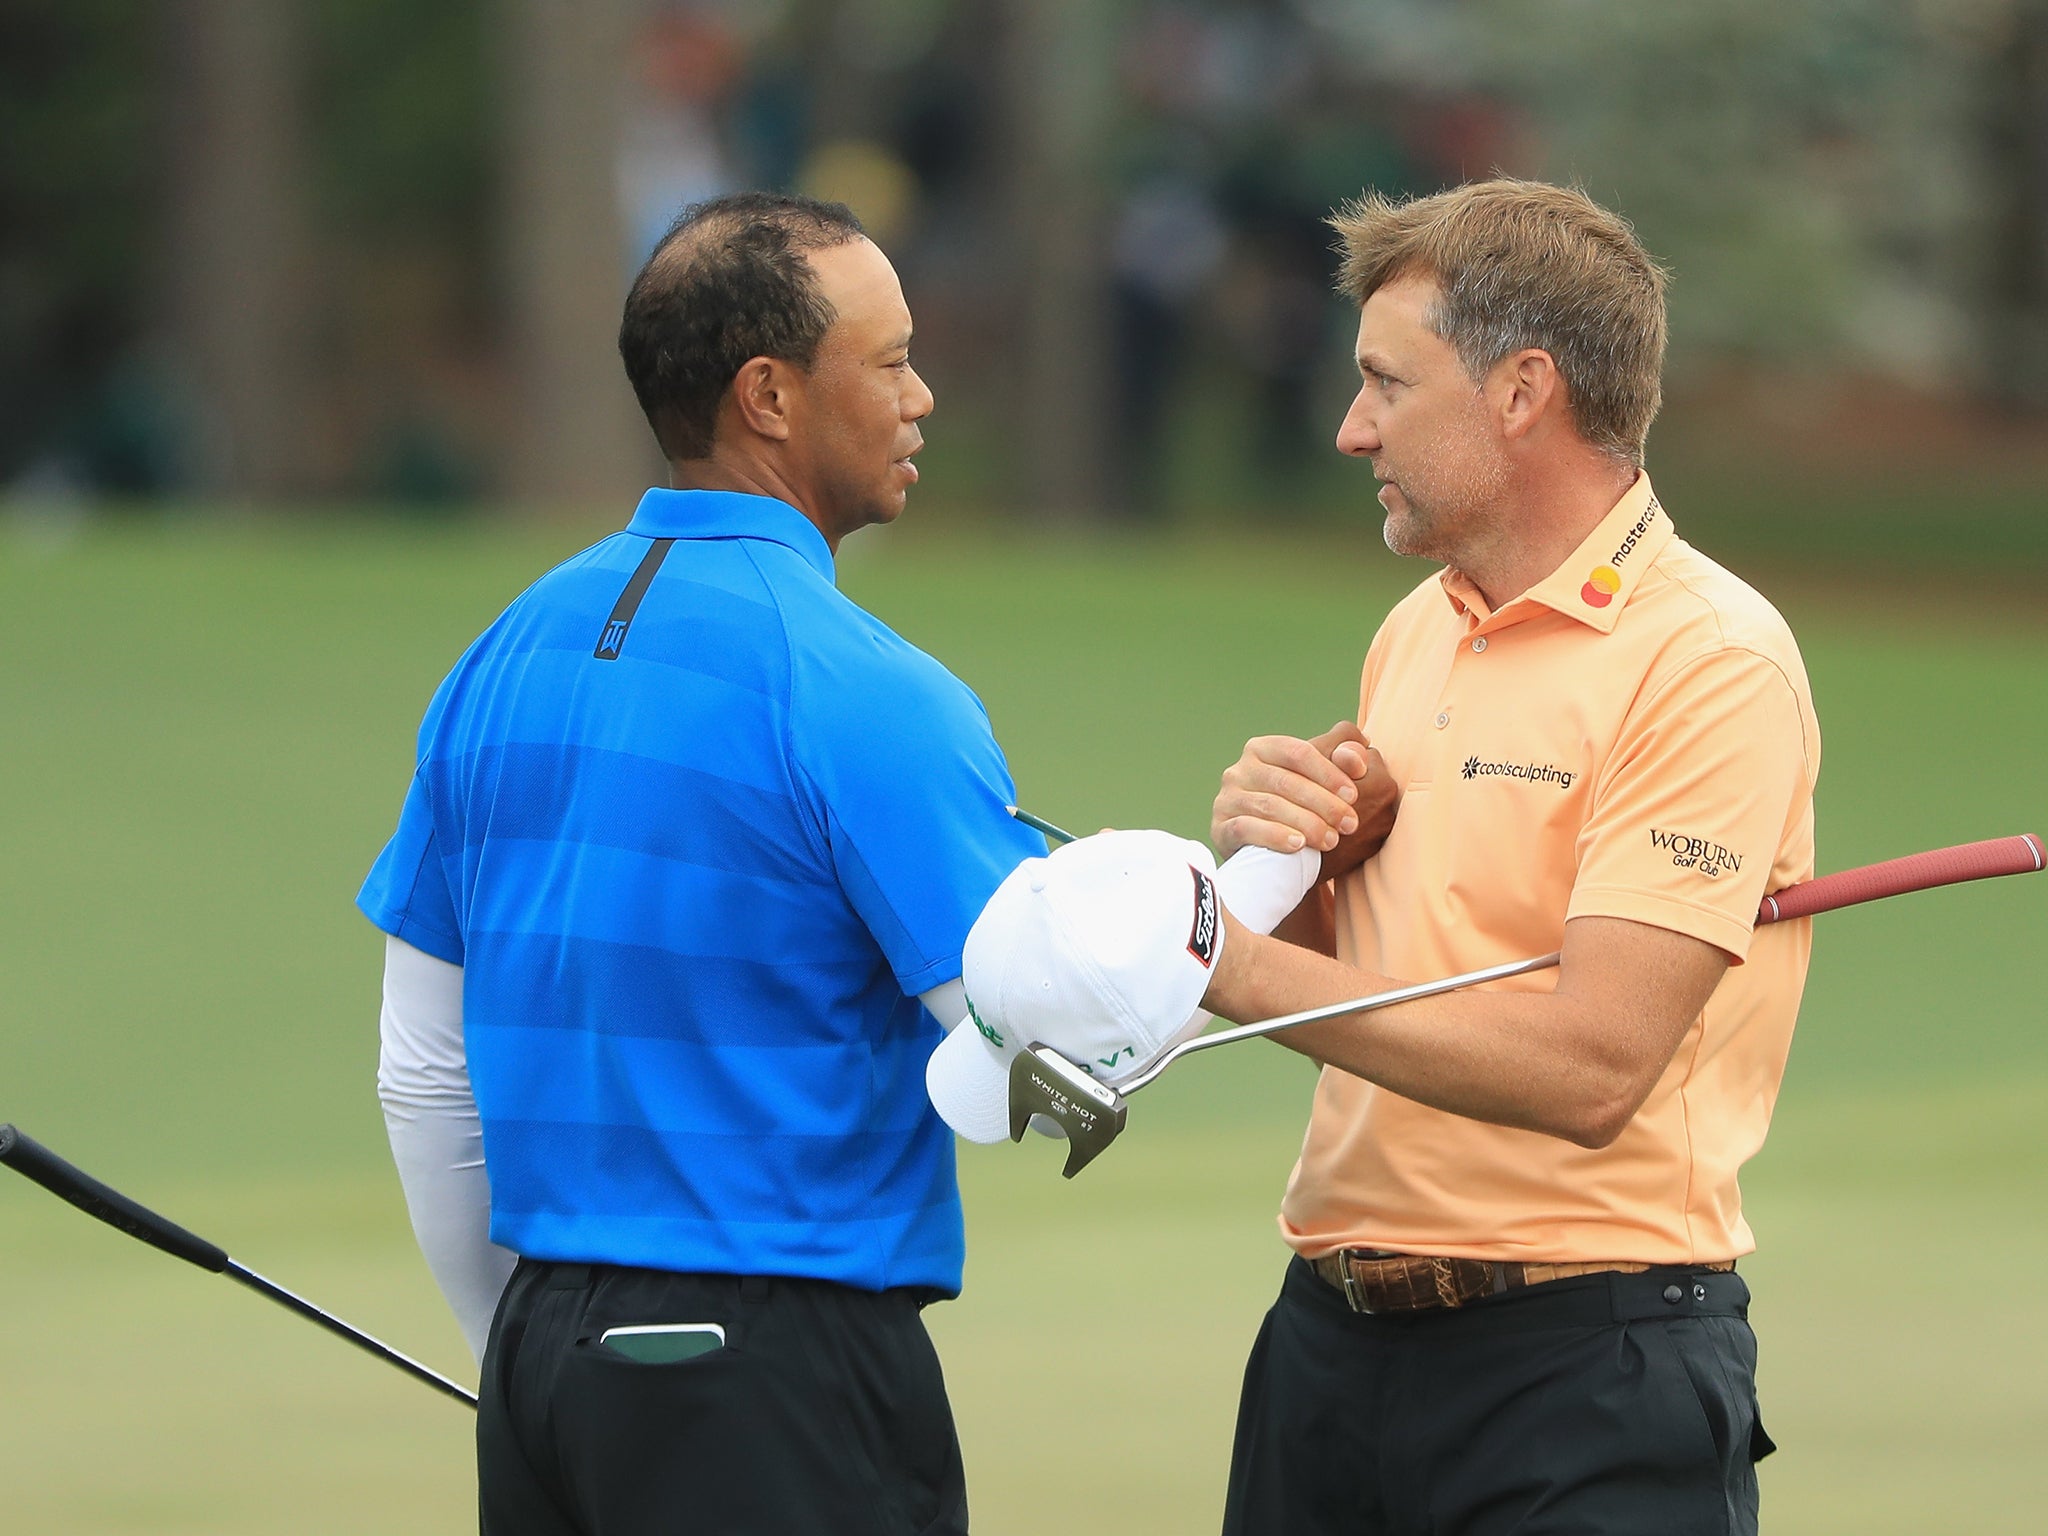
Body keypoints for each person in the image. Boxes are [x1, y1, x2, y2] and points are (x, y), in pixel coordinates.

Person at [962, 179, 1819, 1535]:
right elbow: (1366, 1005)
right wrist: (1282, 879)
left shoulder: (1706, 660)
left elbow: (1594, 1069)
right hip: (1330, 1348)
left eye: (1384, 383)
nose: (1352, 427)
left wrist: (1225, 965)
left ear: (1522, 392)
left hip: (1582, 1366)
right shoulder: (1424, 624)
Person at [357, 191, 1043, 1536]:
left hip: (549, 1366)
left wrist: (522, 1343)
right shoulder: (865, 687)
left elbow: (422, 1067)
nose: (925, 396)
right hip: (780, 1371)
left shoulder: (503, 654)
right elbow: (1024, 1063)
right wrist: (1204, 907)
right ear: (771, 396)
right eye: (892, 359)